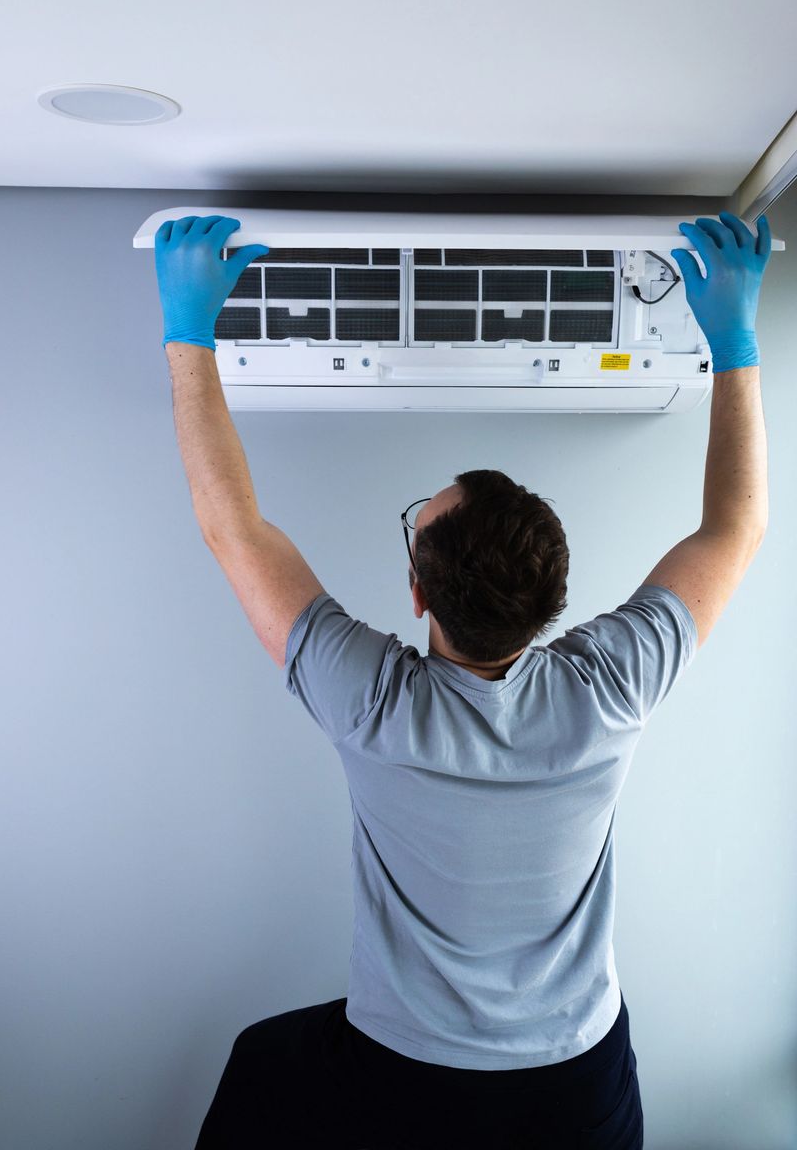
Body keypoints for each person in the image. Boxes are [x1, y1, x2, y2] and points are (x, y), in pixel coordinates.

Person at [192, 211, 772, 1149]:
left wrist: (188, 333)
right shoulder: (610, 684)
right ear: (556, 604)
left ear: (416, 593)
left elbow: (236, 531)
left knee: (264, 1063)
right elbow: (734, 530)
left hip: (406, 1085)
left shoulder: (371, 699)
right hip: (575, 1090)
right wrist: (737, 340)